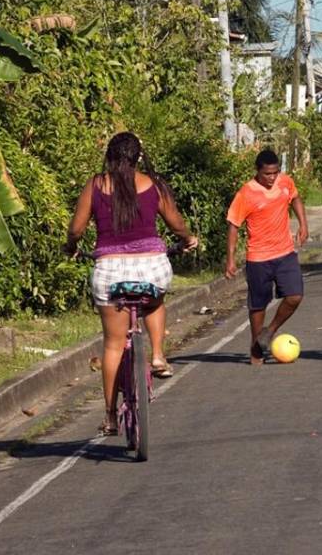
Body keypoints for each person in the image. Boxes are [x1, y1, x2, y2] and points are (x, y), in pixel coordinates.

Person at [65, 132, 199, 436]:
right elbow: (176, 222)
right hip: (152, 267)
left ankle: (111, 417)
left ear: (110, 157)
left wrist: (71, 245)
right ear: (138, 157)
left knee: (113, 344)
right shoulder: (154, 184)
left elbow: (76, 229)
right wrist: (188, 239)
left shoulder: (96, 185)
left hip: (109, 271)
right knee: (155, 299)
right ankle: (157, 355)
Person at [224, 149, 309, 365]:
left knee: (295, 296)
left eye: (275, 173)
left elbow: (296, 199)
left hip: (285, 253)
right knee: (258, 305)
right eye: (267, 174)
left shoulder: (285, 182)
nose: (272, 178)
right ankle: (256, 348)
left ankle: (269, 331)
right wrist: (231, 259)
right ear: (257, 171)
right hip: (258, 257)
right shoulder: (246, 193)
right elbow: (233, 226)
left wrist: (303, 224)